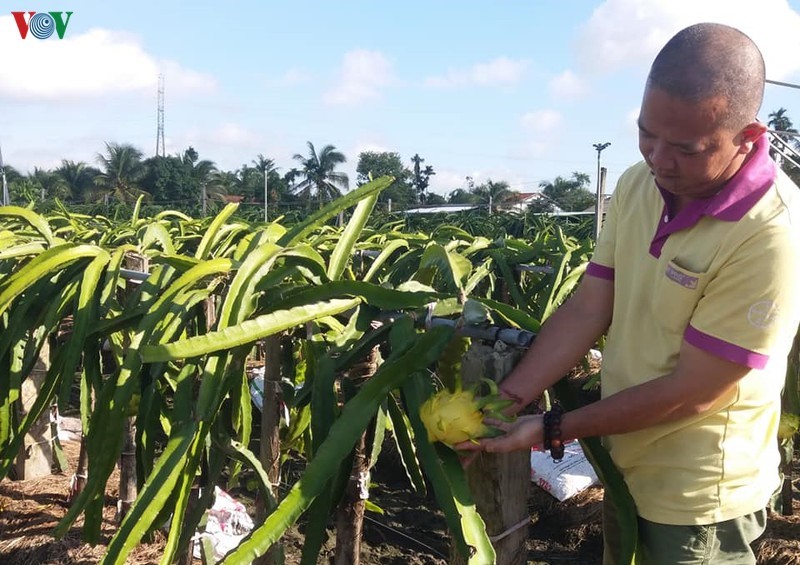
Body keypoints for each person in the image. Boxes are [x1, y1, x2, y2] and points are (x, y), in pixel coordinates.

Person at [457, 22, 800, 564]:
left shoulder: (770, 233)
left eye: (686, 148)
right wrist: (510, 399)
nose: (659, 159)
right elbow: (592, 305)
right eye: (647, 133)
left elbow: (696, 391)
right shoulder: (639, 184)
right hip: (623, 458)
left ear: (748, 137)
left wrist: (551, 428)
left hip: (699, 493)